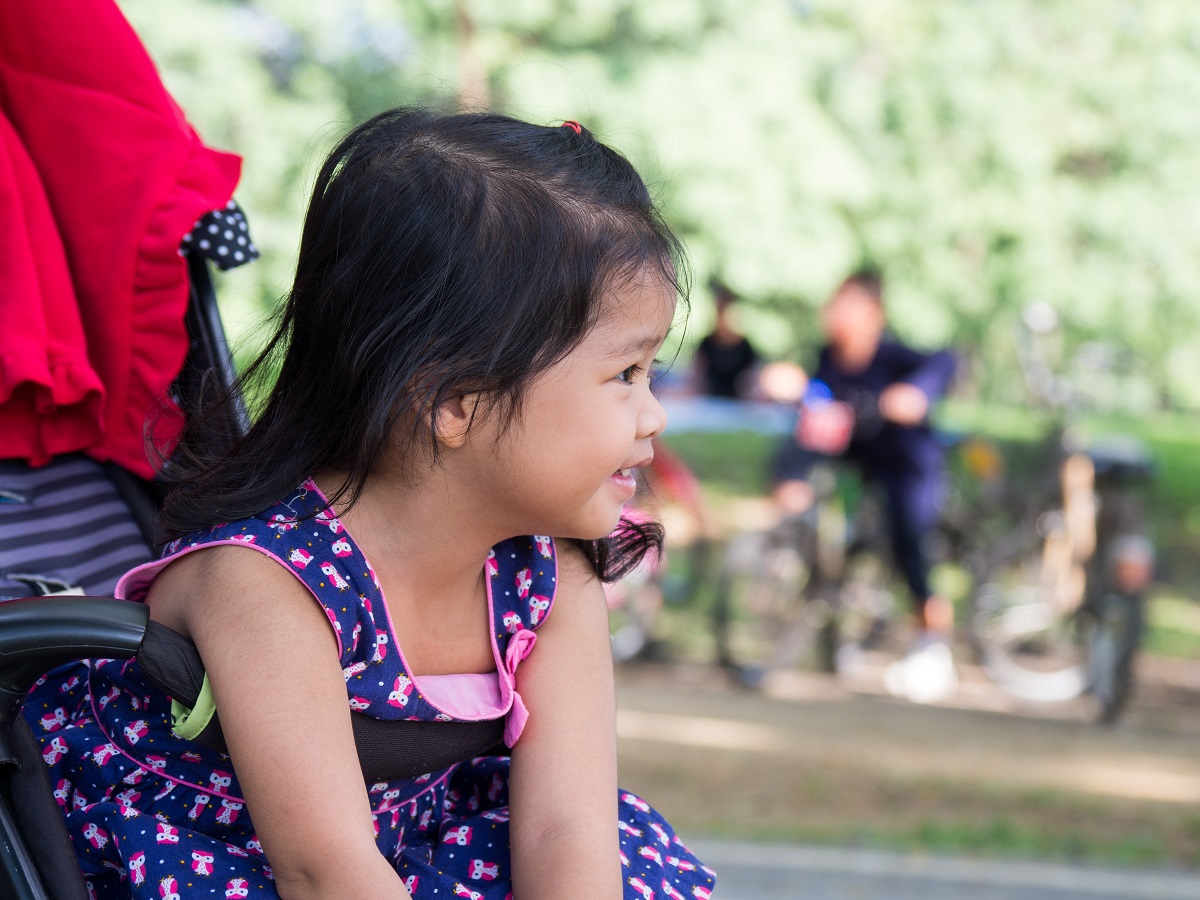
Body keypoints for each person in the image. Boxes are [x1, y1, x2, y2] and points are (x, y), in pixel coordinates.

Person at [23, 110, 714, 900]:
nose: (654, 414)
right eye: (626, 374)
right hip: (224, 857)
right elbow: (324, 872)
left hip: (405, 850)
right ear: (455, 402)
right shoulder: (269, 583)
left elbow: (568, 831)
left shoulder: (548, 576)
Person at [771, 268, 957, 702]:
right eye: (835, 304)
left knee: (911, 543)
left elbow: (946, 361)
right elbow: (816, 399)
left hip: (903, 462)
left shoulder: (895, 358)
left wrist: (916, 394)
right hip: (850, 456)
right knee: (795, 451)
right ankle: (784, 537)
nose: (837, 315)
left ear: (875, 314)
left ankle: (932, 644)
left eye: (849, 305)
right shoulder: (828, 359)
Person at [692, 280, 759, 398]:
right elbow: (697, 375)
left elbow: (752, 377)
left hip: (738, 404)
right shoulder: (707, 343)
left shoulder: (744, 346)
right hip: (710, 402)